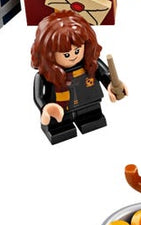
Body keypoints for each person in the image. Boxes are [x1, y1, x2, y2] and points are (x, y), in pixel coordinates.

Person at [30, 11, 126, 144]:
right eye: (66, 54)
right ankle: (59, 127)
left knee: (93, 118)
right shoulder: (46, 74)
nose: (73, 56)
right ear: (49, 53)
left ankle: (90, 118)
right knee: (60, 126)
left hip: (89, 104)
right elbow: (38, 96)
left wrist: (111, 84)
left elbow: (104, 74)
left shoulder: (90, 63)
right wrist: (45, 108)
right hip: (60, 113)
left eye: (77, 50)